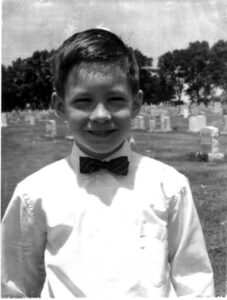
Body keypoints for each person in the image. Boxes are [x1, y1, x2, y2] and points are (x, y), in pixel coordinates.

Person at [1, 28, 214, 298]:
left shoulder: (170, 186)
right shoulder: (33, 194)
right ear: (59, 105)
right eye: (83, 101)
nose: (100, 115)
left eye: (114, 99)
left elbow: (193, 279)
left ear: (136, 103)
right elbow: (13, 287)